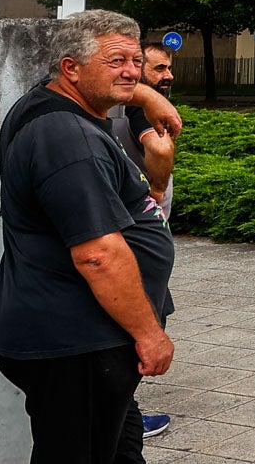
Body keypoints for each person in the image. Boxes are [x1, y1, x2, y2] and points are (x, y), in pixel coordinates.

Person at [0, 10, 177, 464]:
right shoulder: (68, 137)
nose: (131, 70)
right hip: (77, 344)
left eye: (136, 60)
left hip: (85, 338)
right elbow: (99, 255)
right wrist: (150, 335)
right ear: (71, 68)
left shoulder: (50, 103)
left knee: (120, 449)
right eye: (117, 61)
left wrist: (146, 96)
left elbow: (111, 76)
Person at [110, 41, 176, 440]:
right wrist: (156, 188)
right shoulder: (137, 110)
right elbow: (158, 146)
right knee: (142, 326)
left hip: (122, 235)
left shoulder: (105, 109)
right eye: (159, 69)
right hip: (134, 242)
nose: (167, 76)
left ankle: (123, 416)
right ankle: (125, 417)